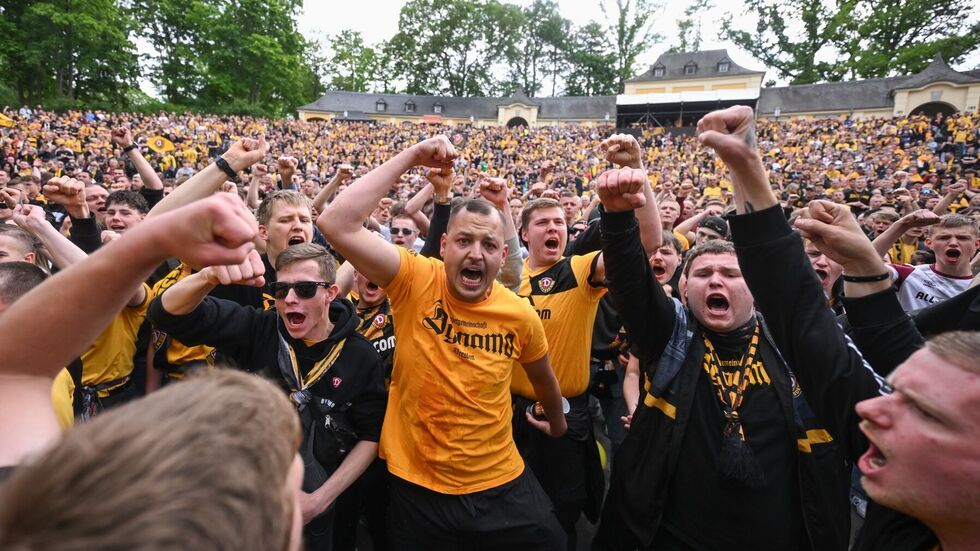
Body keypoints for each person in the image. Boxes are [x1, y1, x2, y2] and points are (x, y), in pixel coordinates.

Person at [593, 106, 878, 551]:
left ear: (756, 287)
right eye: (703, 274)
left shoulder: (793, 347)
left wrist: (748, 167)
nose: (717, 281)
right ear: (685, 289)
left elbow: (794, 293)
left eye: (731, 273)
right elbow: (632, 284)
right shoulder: (672, 336)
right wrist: (615, 217)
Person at [319, 135, 568, 550]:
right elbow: (336, 223)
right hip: (419, 487)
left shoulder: (518, 313)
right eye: (465, 241)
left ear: (500, 256)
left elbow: (544, 379)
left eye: (489, 244)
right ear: (444, 245)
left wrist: (558, 425)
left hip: (500, 482)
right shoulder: (415, 278)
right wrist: (413, 157)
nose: (476, 253)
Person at [148, 242, 386, 550]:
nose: (289, 299)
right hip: (251, 498)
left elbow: (372, 435)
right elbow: (164, 314)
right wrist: (208, 277)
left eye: (304, 289)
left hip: (325, 506)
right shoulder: (258, 328)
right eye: (280, 289)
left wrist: (318, 500)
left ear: (330, 293)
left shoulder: (359, 355)